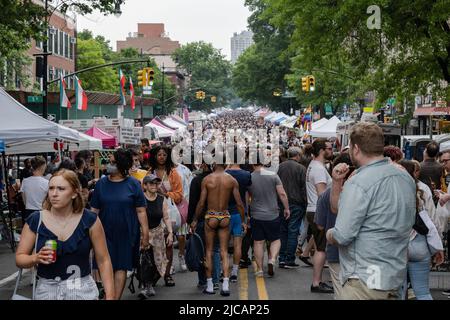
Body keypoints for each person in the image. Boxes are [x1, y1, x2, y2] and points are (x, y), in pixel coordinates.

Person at [326, 122, 416, 300]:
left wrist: (329, 234)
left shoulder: (359, 182)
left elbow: (343, 235)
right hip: (394, 275)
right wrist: (337, 183)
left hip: (364, 279)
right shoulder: (405, 178)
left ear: (356, 148)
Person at [15, 169, 115, 300]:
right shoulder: (36, 220)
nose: (54, 194)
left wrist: (110, 295)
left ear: (74, 193)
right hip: (47, 292)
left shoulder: (90, 220)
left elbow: (103, 260)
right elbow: (19, 258)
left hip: (82, 291)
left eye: (61, 189)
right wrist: (36, 258)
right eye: (51, 188)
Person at [90, 149, 150, 300]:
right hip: (103, 232)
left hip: (127, 232)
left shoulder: (134, 184)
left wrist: (145, 233)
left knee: (121, 266)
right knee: (105, 264)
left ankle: (114, 298)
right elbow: (94, 210)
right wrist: (88, 232)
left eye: (112, 162)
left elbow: (141, 211)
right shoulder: (101, 184)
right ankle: (109, 294)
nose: (109, 165)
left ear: (121, 165)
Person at [191, 153, 245, 296]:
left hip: (211, 216)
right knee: (224, 251)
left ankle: (209, 285)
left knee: (208, 251)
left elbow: (201, 203)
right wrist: (244, 220)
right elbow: (239, 203)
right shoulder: (232, 180)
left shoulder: (207, 180)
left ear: (214, 163)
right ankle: (225, 285)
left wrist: (195, 219)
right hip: (225, 216)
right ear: (226, 163)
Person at [398, 159, 444, 300]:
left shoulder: (392, 191)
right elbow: (431, 220)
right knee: (423, 292)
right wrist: (438, 246)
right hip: (419, 244)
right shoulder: (421, 189)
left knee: (398, 292)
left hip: (398, 247)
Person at [315, 153, 354, 299]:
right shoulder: (362, 192)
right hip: (360, 254)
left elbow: (319, 225)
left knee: (340, 293)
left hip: (336, 252)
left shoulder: (326, 195)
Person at [248, 155, 290, 279]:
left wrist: (247, 212)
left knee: (258, 242)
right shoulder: (272, 175)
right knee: (275, 239)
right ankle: (271, 259)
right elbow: (282, 193)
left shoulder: (249, 177)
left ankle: (260, 269)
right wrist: (287, 208)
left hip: (256, 214)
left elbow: (247, 197)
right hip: (272, 214)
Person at [148, 145, 183, 286]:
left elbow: (179, 195)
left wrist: (165, 194)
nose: (161, 157)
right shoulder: (150, 173)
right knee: (153, 246)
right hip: (153, 213)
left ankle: (167, 274)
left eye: (164, 154)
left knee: (168, 245)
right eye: (159, 154)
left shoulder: (173, 173)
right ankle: (155, 272)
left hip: (169, 213)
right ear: (155, 157)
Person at [305, 138, 334, 294]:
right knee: (321, 249)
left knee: (320, 247)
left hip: (314, 209)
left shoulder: (315, 166)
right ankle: (316, 283)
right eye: (329, 148)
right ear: (322, 150)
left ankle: (318, 281)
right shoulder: (318, 169)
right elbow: (322, 194)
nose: (332, 150)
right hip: (318, 210)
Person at [187, 161, 221, 291]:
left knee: (202, 250)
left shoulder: (198, 181)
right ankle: (216, 279)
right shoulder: (221, 180)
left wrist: (192, 220)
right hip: (218, 218)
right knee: (215, 250)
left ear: (203, 165)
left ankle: (203, 280)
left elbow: (194, 202)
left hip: (202, 219)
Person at [138, 174, 173, 299]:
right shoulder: (140, 199)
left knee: (158, 262)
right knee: (145, 261)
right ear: (145, 186)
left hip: (158, 233)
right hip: (143, 233)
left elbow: (166, 217)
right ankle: (145, 286)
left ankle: (150, 283)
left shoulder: (161, 199)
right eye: (151, 183)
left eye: (156, 183)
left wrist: (170, 233)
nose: (154, 186)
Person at [276, 147, 307, 269]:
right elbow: (303, 188)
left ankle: (282, 258)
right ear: (298, 156)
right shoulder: (301, 168)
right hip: (296, 203)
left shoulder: (280, 167)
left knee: (283, 231)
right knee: (293, 231)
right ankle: (289, 259)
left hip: (282, 203)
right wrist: (305, 203)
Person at [225, 150, 252, 281]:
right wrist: (246, 214)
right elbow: (247, 194)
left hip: (224, 211)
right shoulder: (246, 174)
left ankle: (223, 271)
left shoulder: (224, 174)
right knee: (237, 243)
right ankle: (235, 271)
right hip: (238, 211)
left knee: (223, 244)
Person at [20, 156, 49, 224]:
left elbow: (24, 199)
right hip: (41, 212)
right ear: (42, 166)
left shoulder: (25, 181)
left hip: (28, 212)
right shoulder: (47, 182)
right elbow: (48, 200)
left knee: (29, 232)